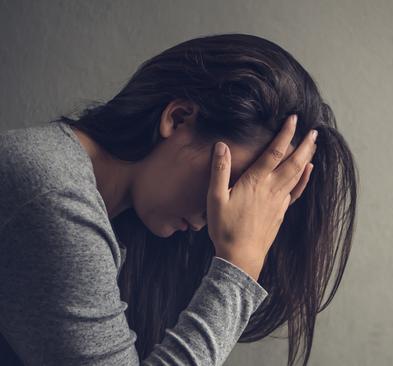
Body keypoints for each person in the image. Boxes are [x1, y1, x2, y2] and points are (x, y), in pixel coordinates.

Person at [0, 33, 357, 366]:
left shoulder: (110, 222)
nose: (225, 212)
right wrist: (239, 266)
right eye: (233, 183)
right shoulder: (52, 194)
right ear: (178, 117)